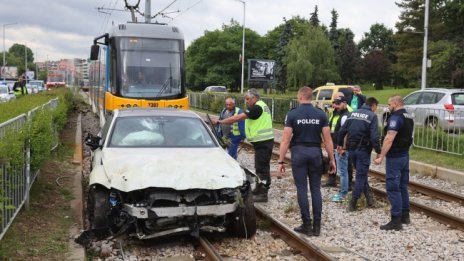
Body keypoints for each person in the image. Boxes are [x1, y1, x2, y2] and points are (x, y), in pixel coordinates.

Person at [277, 86, 336, 236]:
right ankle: (317, 227)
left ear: (300, 97)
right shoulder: (321, 114)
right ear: (311, 97)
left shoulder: (293, 114)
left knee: (302, 189)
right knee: (316, 189)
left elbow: (285, 140)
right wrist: (332, 160)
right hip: (315, 153)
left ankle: (306, 225)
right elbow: (328, 141)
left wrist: (281, 161)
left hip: (299, 153)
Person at [213, 88, 274, 202]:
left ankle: (263, 194)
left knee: (262, 168)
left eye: (247, 99)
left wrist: (220, 121)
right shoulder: (260, 105)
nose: (246, 101)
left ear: (254, 98)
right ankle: (258, 188)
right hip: (262, 142)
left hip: (263, 142)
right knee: (259, 166)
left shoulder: (257, 107)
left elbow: (237, 118)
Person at [374, 95, 414, 231]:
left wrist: (381, 156)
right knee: (403, 186)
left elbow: (389, 138)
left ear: (396, 104)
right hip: (405, 156)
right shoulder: (409, 117)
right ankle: (405, 216)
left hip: (395, 157)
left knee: (393, 188)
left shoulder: (396, 118)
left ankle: (396, 220)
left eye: (389, 104)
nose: (388, 107)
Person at [337, 97, 381, 211]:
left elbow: (342, 131)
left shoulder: (352, 114)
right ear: (373, 105)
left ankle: (370, 200)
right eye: (376, 107)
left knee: (362, 174)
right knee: (361, 176)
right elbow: (374, 137)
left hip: (352, 150)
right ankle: (353, 203)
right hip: (363, 150)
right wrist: (379, 151)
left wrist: (339, 145)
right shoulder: (372, 116)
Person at [324, 92, 353, 188]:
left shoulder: (348, 111)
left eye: (337, 102)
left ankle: (348, 184)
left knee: (346, 162)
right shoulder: (335, 110)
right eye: (334, 102)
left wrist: (343, 145)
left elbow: (346, 130)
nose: (335, 105)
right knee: (331, 159)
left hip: (342, 139)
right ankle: (332, 180)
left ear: (343, 102)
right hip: (333, 137)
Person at [329, 96, 351, 202]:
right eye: (335, 104)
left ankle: (343, 193)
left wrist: (342, 147)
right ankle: (343, 191)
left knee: (343, 172)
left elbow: (346, 133)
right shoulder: (341, 115)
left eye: (338, 104)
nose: (336, 106)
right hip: (341, 147)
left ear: (344, 103)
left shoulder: (345, 116)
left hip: (342, 148)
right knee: (343, 171)